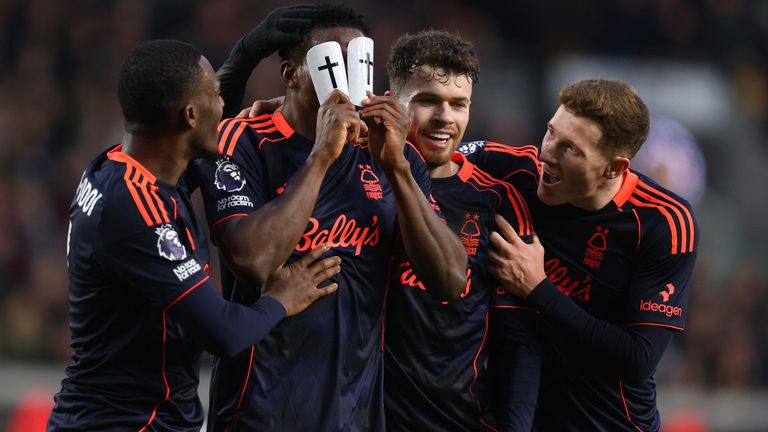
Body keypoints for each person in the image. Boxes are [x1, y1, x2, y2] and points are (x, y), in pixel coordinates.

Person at [191, 5, 468, 431]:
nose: (343, 77)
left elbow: (450, 280)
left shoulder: (392, 155)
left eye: (354, 60)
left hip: (354, 416)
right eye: (329, 60)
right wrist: (322, 155)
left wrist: (396, 167)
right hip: (258, 414)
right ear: (291, 74)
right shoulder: (244, 139)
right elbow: (252, 262)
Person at [47, 39, 342, 431]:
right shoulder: (135, 210)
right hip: (125, 422)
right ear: (189, 114)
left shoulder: (115, 167)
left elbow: (193, 145)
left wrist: (278, 106)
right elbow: (224, 332)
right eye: (216, 97)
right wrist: (281, 300)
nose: (223, 107)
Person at [461, 79, 698, 431]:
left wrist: (538, 288)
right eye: (551, 133)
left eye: (570, 149)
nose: (547, 154)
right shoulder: (518, 170)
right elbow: (434, 152)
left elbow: (637, 359)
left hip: (611, 423)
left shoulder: (664, 223)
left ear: (614, 169)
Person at [381, 30, 540, 431]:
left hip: (458, 420)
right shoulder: (357, 177)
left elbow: (518, 338)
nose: (445, 117)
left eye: (458, 104)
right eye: (428, 101)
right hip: (363, 416)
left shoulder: (495, 199)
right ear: (393, 101)